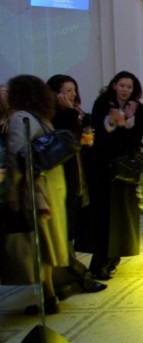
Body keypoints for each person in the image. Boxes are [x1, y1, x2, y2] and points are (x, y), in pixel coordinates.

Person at [5, 75, 71, 314]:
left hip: (35, 188)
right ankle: (50, 294)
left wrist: (12, 194)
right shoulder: (42, 118)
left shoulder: (19, 119)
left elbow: (16, 158)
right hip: (53, 183)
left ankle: (48, 297)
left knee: (38, 242)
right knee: (47, 241)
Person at [77, 71, 143, 280]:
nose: (125, 90)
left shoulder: (138, 108)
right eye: (122, 85)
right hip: (101, 167)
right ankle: (99, 263)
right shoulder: (102, 104)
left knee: (122, 215)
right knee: (103, 215)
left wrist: (125, 122)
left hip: (124, 168)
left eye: (129, 87)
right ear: (114, 85)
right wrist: (121, 121)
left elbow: (135, 137)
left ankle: (113, 258)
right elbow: (101, 133)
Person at [46, 74, 107, 295]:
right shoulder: (55, 116)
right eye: (67, 90)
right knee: (62, 231)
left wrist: (85, 127)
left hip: (78, 174)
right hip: (61, 178)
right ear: (55, 93)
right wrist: (73, 116)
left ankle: (69, 278)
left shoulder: (76, 114)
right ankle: (76, 278)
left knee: (70, 230)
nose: (72, 94)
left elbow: (85, 144)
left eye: (74, 89)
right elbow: (69, 143)